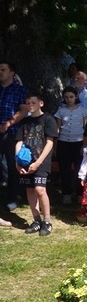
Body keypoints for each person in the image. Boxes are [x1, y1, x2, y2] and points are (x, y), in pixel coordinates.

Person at [15, 93, 58, 236]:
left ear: (41, 103)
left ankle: (47, 221)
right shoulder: (24, 122)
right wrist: (18, 162)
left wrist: (38, 162)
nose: (30, 105)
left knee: (40, 190)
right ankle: (36, 220)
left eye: (33, 102)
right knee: (30, 190)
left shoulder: (48, 119)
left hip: (42, 161)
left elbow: (50, 142)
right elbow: (19, 141)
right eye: (27, 103)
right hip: (26, 161)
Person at [0, 61, 29, 211]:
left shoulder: (20, 90)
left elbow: (23, 110)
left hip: (11, 133)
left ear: (12, 73)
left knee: (12, 167)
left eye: (3, 69)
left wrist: (8, 124)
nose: (0, 72)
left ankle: (13, 197)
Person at [54, 86, 87, 204]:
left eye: (71, 97)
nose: (69, 99)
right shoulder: (61, 111)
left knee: (80, 169)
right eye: (66, 97)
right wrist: (55, 144)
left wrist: (85, 144)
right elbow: (58, 129)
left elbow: (86, 128)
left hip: (78, 143)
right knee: (65, 170)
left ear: (76, 97)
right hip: (64, 143)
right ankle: (66, 193)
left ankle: (80, 193)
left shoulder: (83, 110)